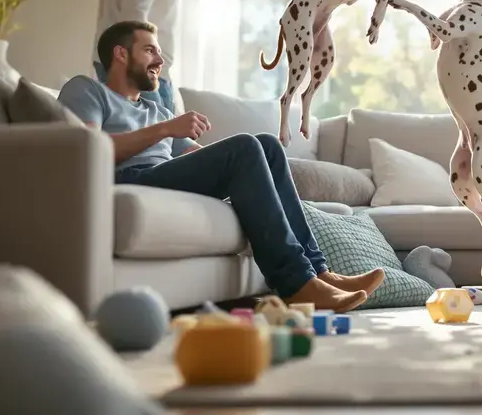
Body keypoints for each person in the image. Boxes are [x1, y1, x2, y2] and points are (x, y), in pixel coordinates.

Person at [60, 20, 382, 312]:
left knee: (265, 146)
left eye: (159, 52)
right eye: (149, 51)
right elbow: (88, 149)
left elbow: (196, 155)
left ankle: (319, 272)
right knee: (244, 146)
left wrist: (247, 162)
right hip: (126, 177)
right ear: (120, 54)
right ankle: (297, 284)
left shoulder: (153, 109)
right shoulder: (88, 90)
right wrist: (166, 129)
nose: (159, 61)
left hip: (159, 175)